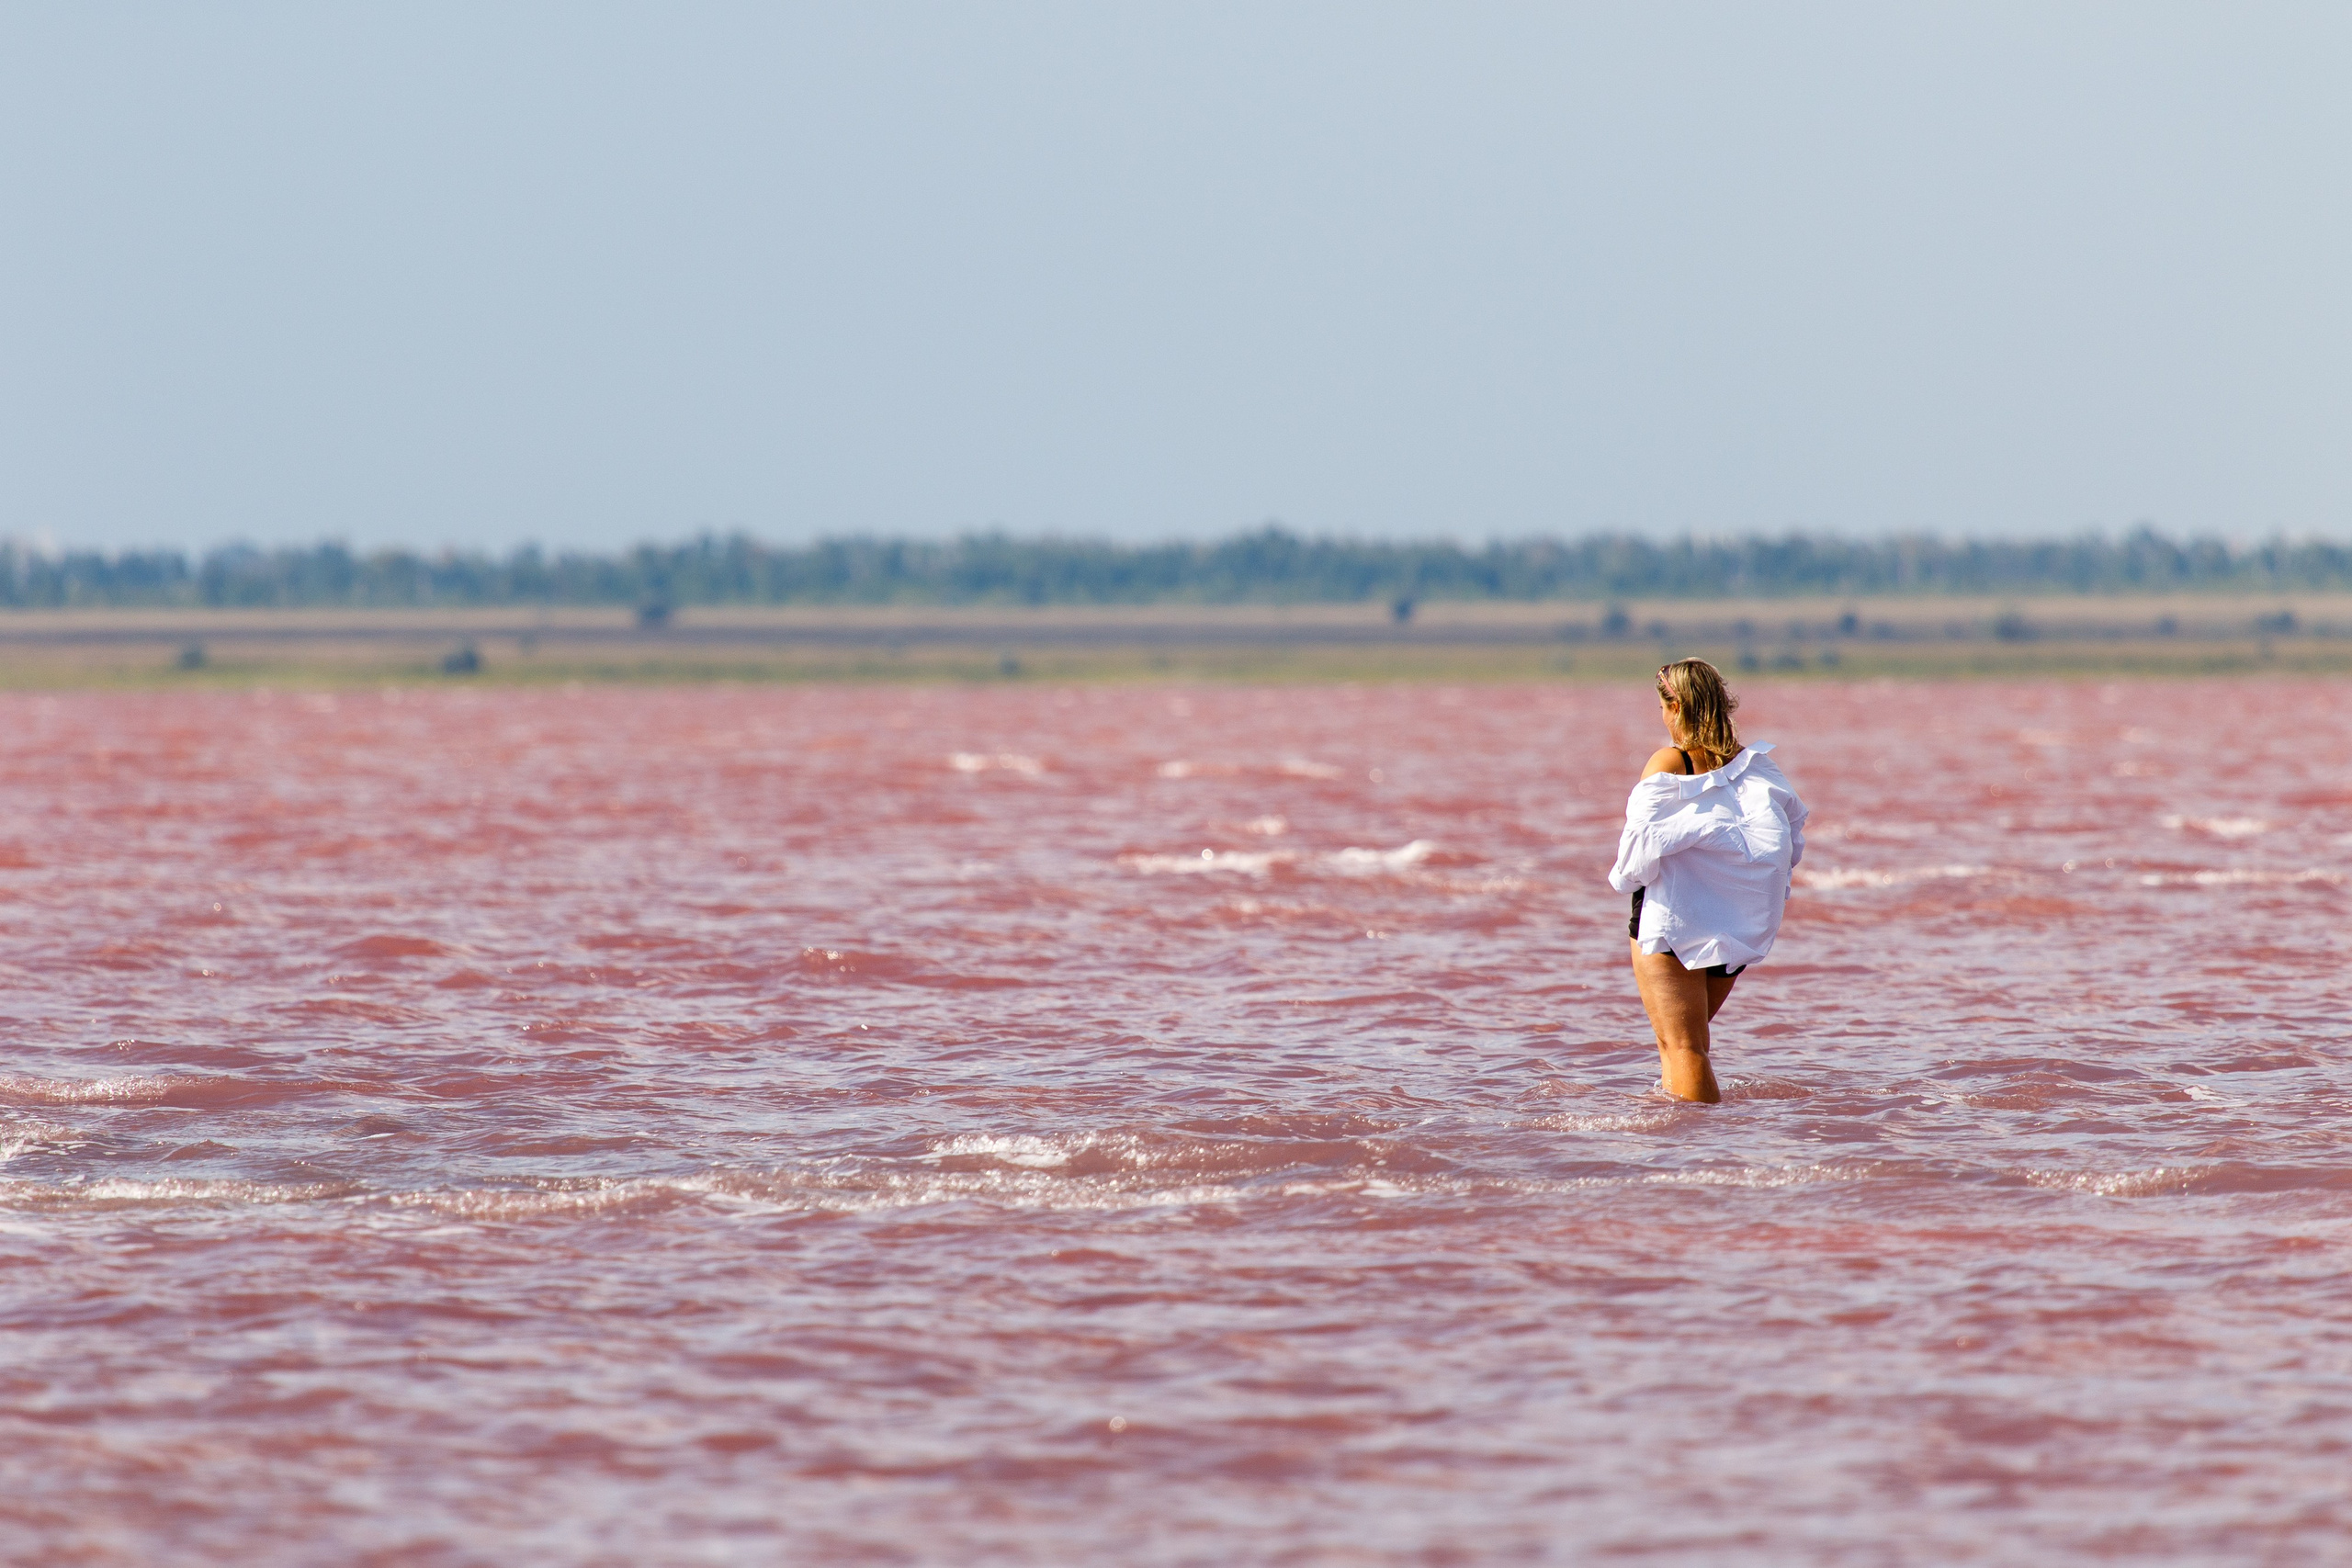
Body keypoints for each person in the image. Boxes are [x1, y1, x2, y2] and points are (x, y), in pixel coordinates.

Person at [1607, 660, 1808, 1103]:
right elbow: (1788, 840)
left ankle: (1705, 1152)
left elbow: (1638, 849)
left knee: (1684, 1048)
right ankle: (1682, 1146)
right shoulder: (1756, 766)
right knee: (1681, 1047)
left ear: (1675, 706)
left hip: (1673, 922)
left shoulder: (1670, 761)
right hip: (1733, 926)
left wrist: (1623, 881)